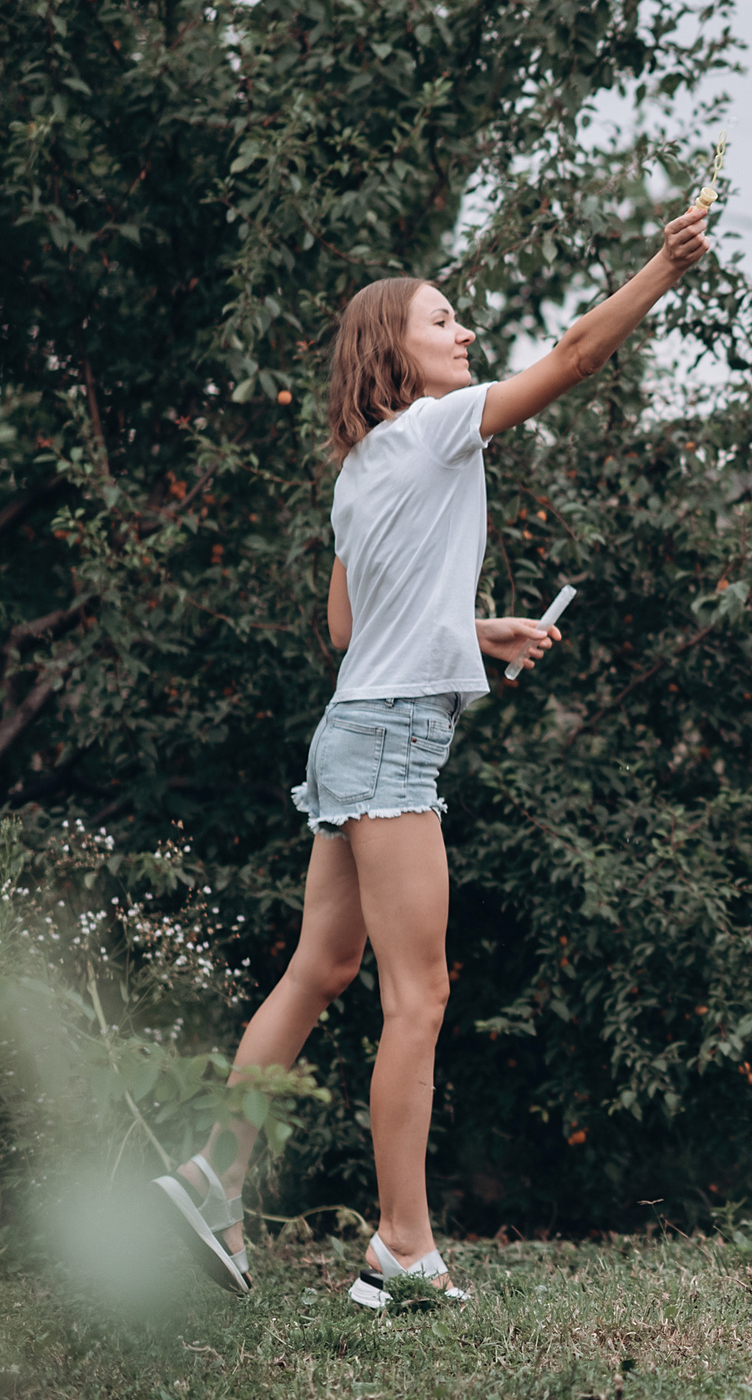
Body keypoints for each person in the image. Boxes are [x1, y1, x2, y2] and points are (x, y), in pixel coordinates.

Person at [150, 199, 718, 1307]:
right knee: (420, 995)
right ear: (393, 354)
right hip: (394, 737)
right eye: (444, 321)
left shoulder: (360, 466)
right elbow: (577, 353)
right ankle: (403, 1248)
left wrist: (476, 629)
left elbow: (347, 629)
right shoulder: (438, 426)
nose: (465, 333)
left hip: (352, 726)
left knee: (320, 971)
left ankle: (213, 1174)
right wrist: (662, 265)